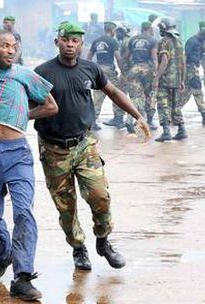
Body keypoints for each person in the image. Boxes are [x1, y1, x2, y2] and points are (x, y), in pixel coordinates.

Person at [34, 22, 150, 272]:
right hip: (54, 149)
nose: (70, 44)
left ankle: (103, 241)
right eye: (65, 40)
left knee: (100, 196)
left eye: (75, 41)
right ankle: (78, 248)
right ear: (57, 42)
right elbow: (24, 101)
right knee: (66, 205)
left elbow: (113, 91)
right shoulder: (42, 72)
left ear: (81, 44)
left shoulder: (91, 69)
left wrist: (137, 115)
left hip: (84, 144)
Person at [0, 29, 58, 301]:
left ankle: (23, 276)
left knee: (23, 212)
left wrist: (23, 115)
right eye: (4, 46)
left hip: (18, 153)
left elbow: (51, 106)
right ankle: (2, 251)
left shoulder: (24, 75)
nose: (10, 50)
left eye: (13, 46)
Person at [153, 17, 186, 142]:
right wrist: (182, 80)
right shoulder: (179, 42)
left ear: (164, 28)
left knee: (162, 104)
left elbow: (164, 60)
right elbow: (182, 62)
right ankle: (182, 129)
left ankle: (166, 131)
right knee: (175, 106)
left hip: (165, 79)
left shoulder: (163, 42)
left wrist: (156, 78)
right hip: (176, 80)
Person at [87, 21, 122, 131]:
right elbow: (118, 57)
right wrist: (123, 71)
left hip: (98, 70)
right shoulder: (113, 41)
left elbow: (89, 57)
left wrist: (89, 71)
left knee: (97, 96)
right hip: (109, 70)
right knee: (116, 93)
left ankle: (93, 121)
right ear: (112, 31)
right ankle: (118, 118)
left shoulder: (96, 41)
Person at [180, 28, 205, 126]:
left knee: (185, 94)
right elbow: (184, 57)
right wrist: (183, 73)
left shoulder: (201, 42)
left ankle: (174, 114)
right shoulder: (192, 41)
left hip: (193, 68)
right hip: (190, 69)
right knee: (198, 92)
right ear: (201, 36)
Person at [125, 21, 158, 132]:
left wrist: (128, 69)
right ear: (150, 29)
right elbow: (154, 58)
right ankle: (149, 120)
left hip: (134, 69)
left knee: (135, 97)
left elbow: (126, 56)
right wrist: (157, 73)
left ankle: (129, 120)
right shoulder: (153, 40)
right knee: (150, 95)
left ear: (141, 28)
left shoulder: (132, 39)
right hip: (147, 70)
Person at [103, 23, 130, 128]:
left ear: (124, 32)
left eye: (119, 31)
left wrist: (124, 71)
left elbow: (124, 57)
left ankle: (121, 119)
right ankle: (119, 118)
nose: (117, 33)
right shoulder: (122, 41)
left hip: (127, 72)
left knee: (121, 94)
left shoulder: (126, 42)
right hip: (126, 72)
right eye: (116, 31)